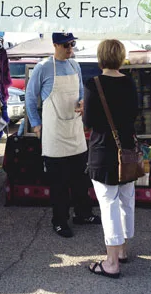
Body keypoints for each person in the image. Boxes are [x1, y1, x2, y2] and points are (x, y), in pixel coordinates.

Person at [25, 32, 100, 238]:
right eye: (67, 45)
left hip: (74, 130)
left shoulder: (75, 66)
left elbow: (81, 93)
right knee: (59, 182)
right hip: (54, 132)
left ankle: (83, 213)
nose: (70, 49)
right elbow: (30, 98)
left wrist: (83, 104)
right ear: (55, 45)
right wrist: (36, 124)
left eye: (73, 44)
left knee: (80, 178)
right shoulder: (43, 68)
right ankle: (59, 221)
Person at [83, 39, 139, 278]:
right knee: (127, 200)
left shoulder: (93, 84)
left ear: (100, 56)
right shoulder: (129, 83)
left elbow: (89, 121)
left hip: (104, 150)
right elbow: (135, 113)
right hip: (127, 149)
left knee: (108, 205)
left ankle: (112, 262)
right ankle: (123, 250)